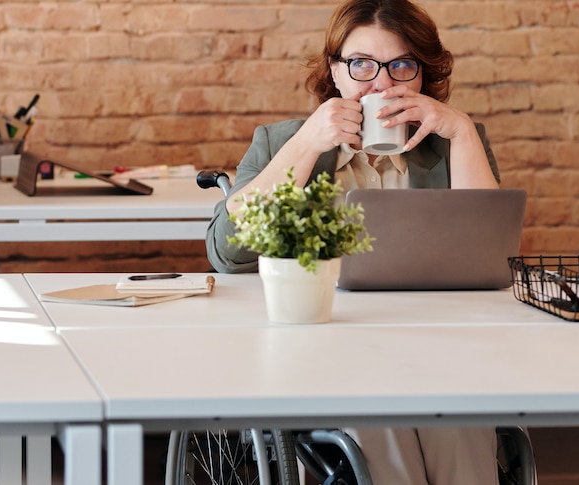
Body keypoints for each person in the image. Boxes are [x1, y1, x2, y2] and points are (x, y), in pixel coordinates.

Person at [206, 0, 500, 483]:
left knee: (460, 421)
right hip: (326, 349)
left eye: (402, 65)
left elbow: (492, 255)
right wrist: (307, 143)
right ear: (335, 72)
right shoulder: (281, 140)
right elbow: (229, 254)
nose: (382, 83)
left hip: (440, 349)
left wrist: (463, 133)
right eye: (361, 65)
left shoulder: (452, 142)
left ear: (423, 76)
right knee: (379, 418)